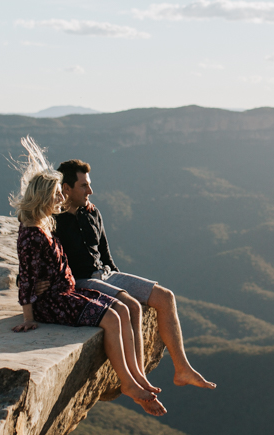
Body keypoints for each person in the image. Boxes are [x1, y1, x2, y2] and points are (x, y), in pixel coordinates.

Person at [9, 138, 166, 416]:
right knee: (110, 317)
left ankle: (137, 376)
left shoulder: (46, 223)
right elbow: (25, 277)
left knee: (119, 309)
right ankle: (129, 383)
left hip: (65, 291)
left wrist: (87, 210)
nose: (61, 197)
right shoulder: (32, 233)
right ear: (46, 197)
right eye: (58, 194)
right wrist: (29, 318)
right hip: (53, 302)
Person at [54, 157, 216, 390]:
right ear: (66, 189)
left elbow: (105, 252)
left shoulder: (91, 212)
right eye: (84, 186)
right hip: (81, 281)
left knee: (165, 297)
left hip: (106, 274)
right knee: (132, 306)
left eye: (89, 184)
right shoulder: (54, 220)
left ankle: (182, 368)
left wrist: (121, 281)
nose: (91, 190)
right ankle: (139, 378)